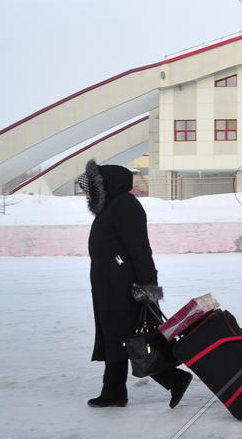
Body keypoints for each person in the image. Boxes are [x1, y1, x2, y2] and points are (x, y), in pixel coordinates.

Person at [78, 159, 192, 408]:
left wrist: (148, 285)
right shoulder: (112, 206)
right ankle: (118, 390)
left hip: (123, 286)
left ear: (106, 184)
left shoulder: (124, 205)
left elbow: (140, 248)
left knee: (127, 337)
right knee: (118, 337)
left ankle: (167, 380)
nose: (87, 193)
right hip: (109, 286)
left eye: (91, 187)